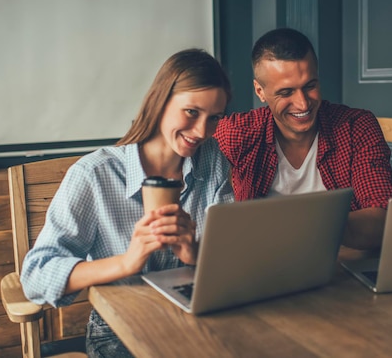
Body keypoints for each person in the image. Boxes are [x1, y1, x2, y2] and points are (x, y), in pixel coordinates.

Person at [20, 49, 234, 357]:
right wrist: (126, 263)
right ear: (160, 101)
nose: (202, 131)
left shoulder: (212, 161)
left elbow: (230, 258)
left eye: (214, 118)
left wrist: (195, 252)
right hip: (119, 327)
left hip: (195, 314)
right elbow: (36, 276)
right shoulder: (94, 174)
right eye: (191, 112)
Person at [214, 27, 392, 250]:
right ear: (260, 91)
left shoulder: (355, 127)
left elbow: (385, 218)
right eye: (286, 92)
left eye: (310, 86)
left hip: (341, 271)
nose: (303, 104)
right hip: (262, 271)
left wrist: (306, 226)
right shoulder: (236, 132)